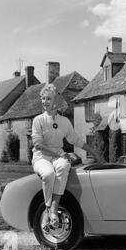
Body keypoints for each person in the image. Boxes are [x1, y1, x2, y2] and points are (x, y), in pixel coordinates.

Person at [31, 84, 102, 229]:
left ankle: (54, 207)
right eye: (43, 99)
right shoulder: (38, 120)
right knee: (49, 173)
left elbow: (77, 140)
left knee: (64, 165)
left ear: (56, 100)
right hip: (41, 157)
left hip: (58, 156)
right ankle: (47, 210)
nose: (45, 102)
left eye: (48, 98)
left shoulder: (64, 122)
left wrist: (97, 155)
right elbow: (37, 145)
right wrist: (59, 153)